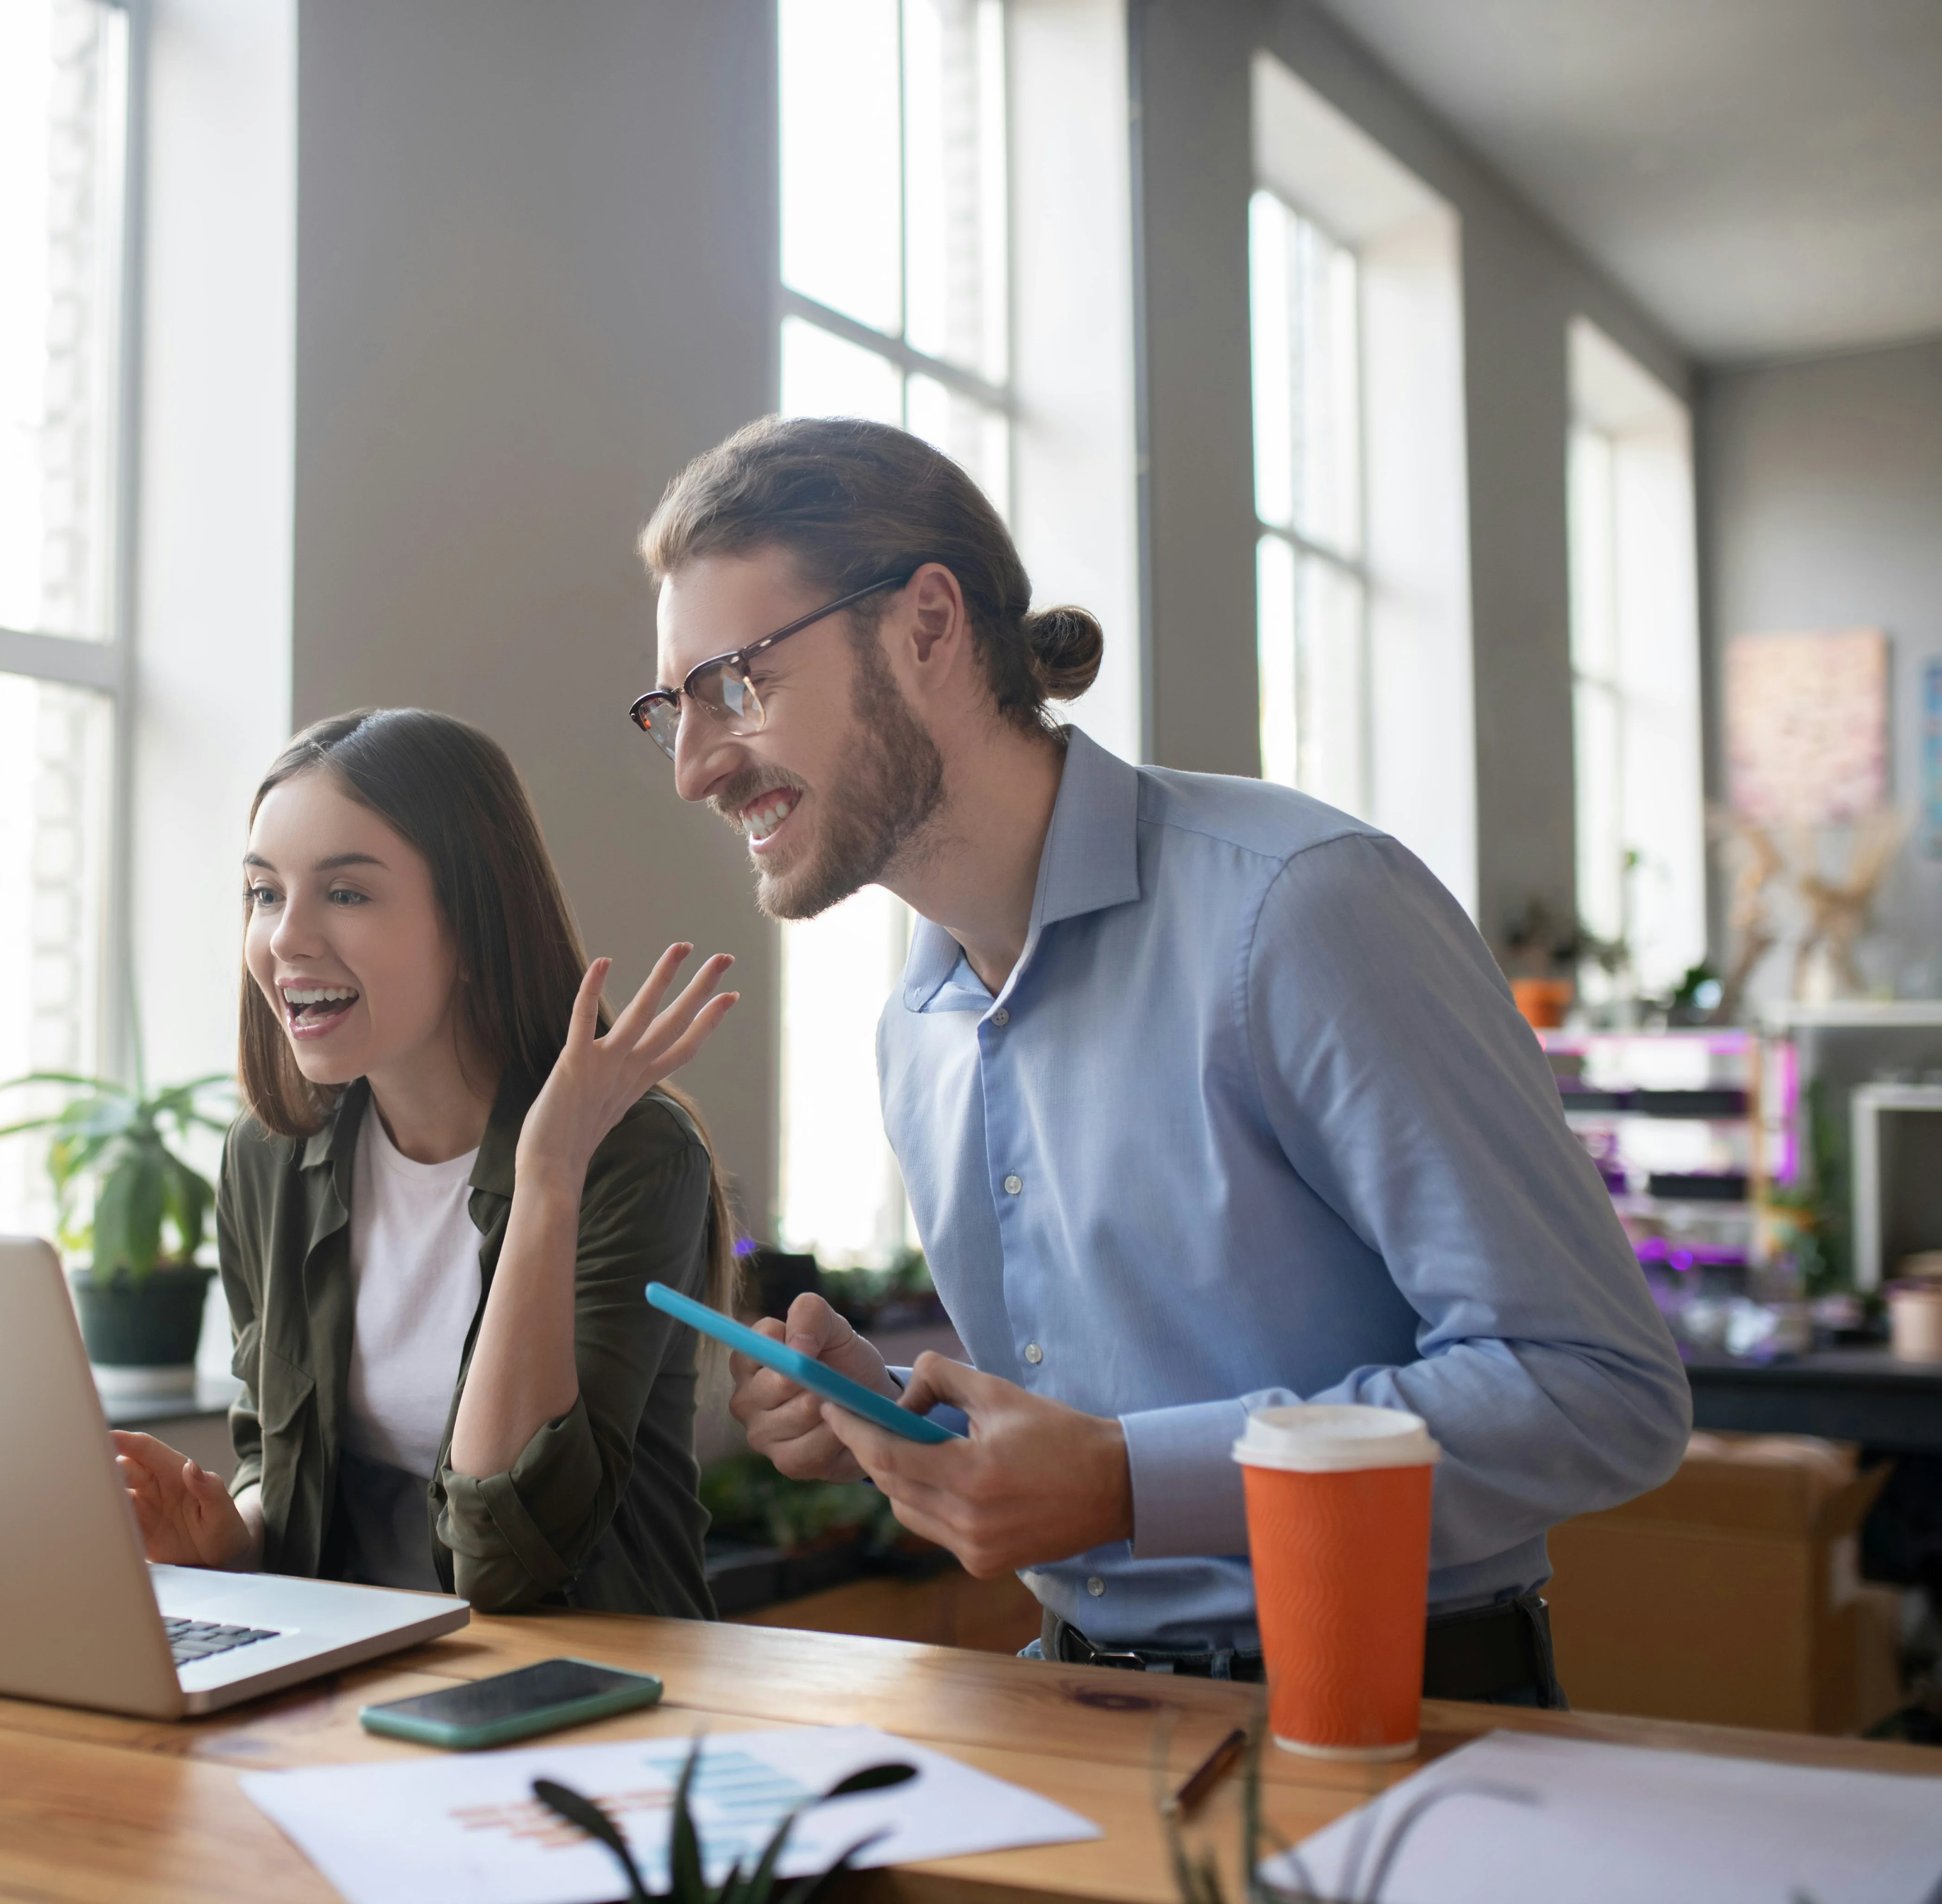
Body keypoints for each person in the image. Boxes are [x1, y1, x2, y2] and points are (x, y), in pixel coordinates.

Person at [632, 415, 1689, 1699]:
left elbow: (1599, 1391)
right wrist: (914, 1422)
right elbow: (1111, 1416)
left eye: (738, 683)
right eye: (670, 708)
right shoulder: (917, 1028)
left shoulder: (1299, 910)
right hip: (1078, 1711)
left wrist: (1132, 1479)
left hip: (1392, 1721)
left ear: (926, 625)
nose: (692, 769)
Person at [113, 708, 742, 1616]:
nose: (286, 937)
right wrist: (235, 1537)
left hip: (594, 1692)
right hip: (344, 1685)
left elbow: (510, 1566)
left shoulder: (629, 1157)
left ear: (473, 922)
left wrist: (548, 1179)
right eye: (264, 893)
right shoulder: (267, 1157)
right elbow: (276, 1468)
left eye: (347, 893)